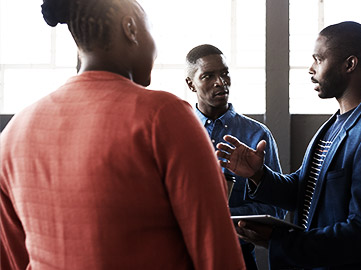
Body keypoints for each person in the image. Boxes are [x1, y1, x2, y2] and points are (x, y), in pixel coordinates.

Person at [0, 1, 246, 269]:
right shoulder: (165, 116)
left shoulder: (15, 131)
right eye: (150, 30)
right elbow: (218, 255)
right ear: (130, 28)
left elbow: (12, 258)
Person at [216, 21, 361, 270]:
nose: (311, 69)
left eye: (318, 60)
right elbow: (305, 189)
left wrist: (280, 240)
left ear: (349, 64)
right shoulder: (335, 123)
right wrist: (259, 174)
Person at [185, 44, 286, 270]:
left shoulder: (257, 135)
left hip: (237, 258)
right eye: (208, 76)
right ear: (191, 84)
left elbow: (276, 208)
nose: (220, 82)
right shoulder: (175, 131)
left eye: (224, 73)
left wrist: (217, 218)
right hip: (183, 257)